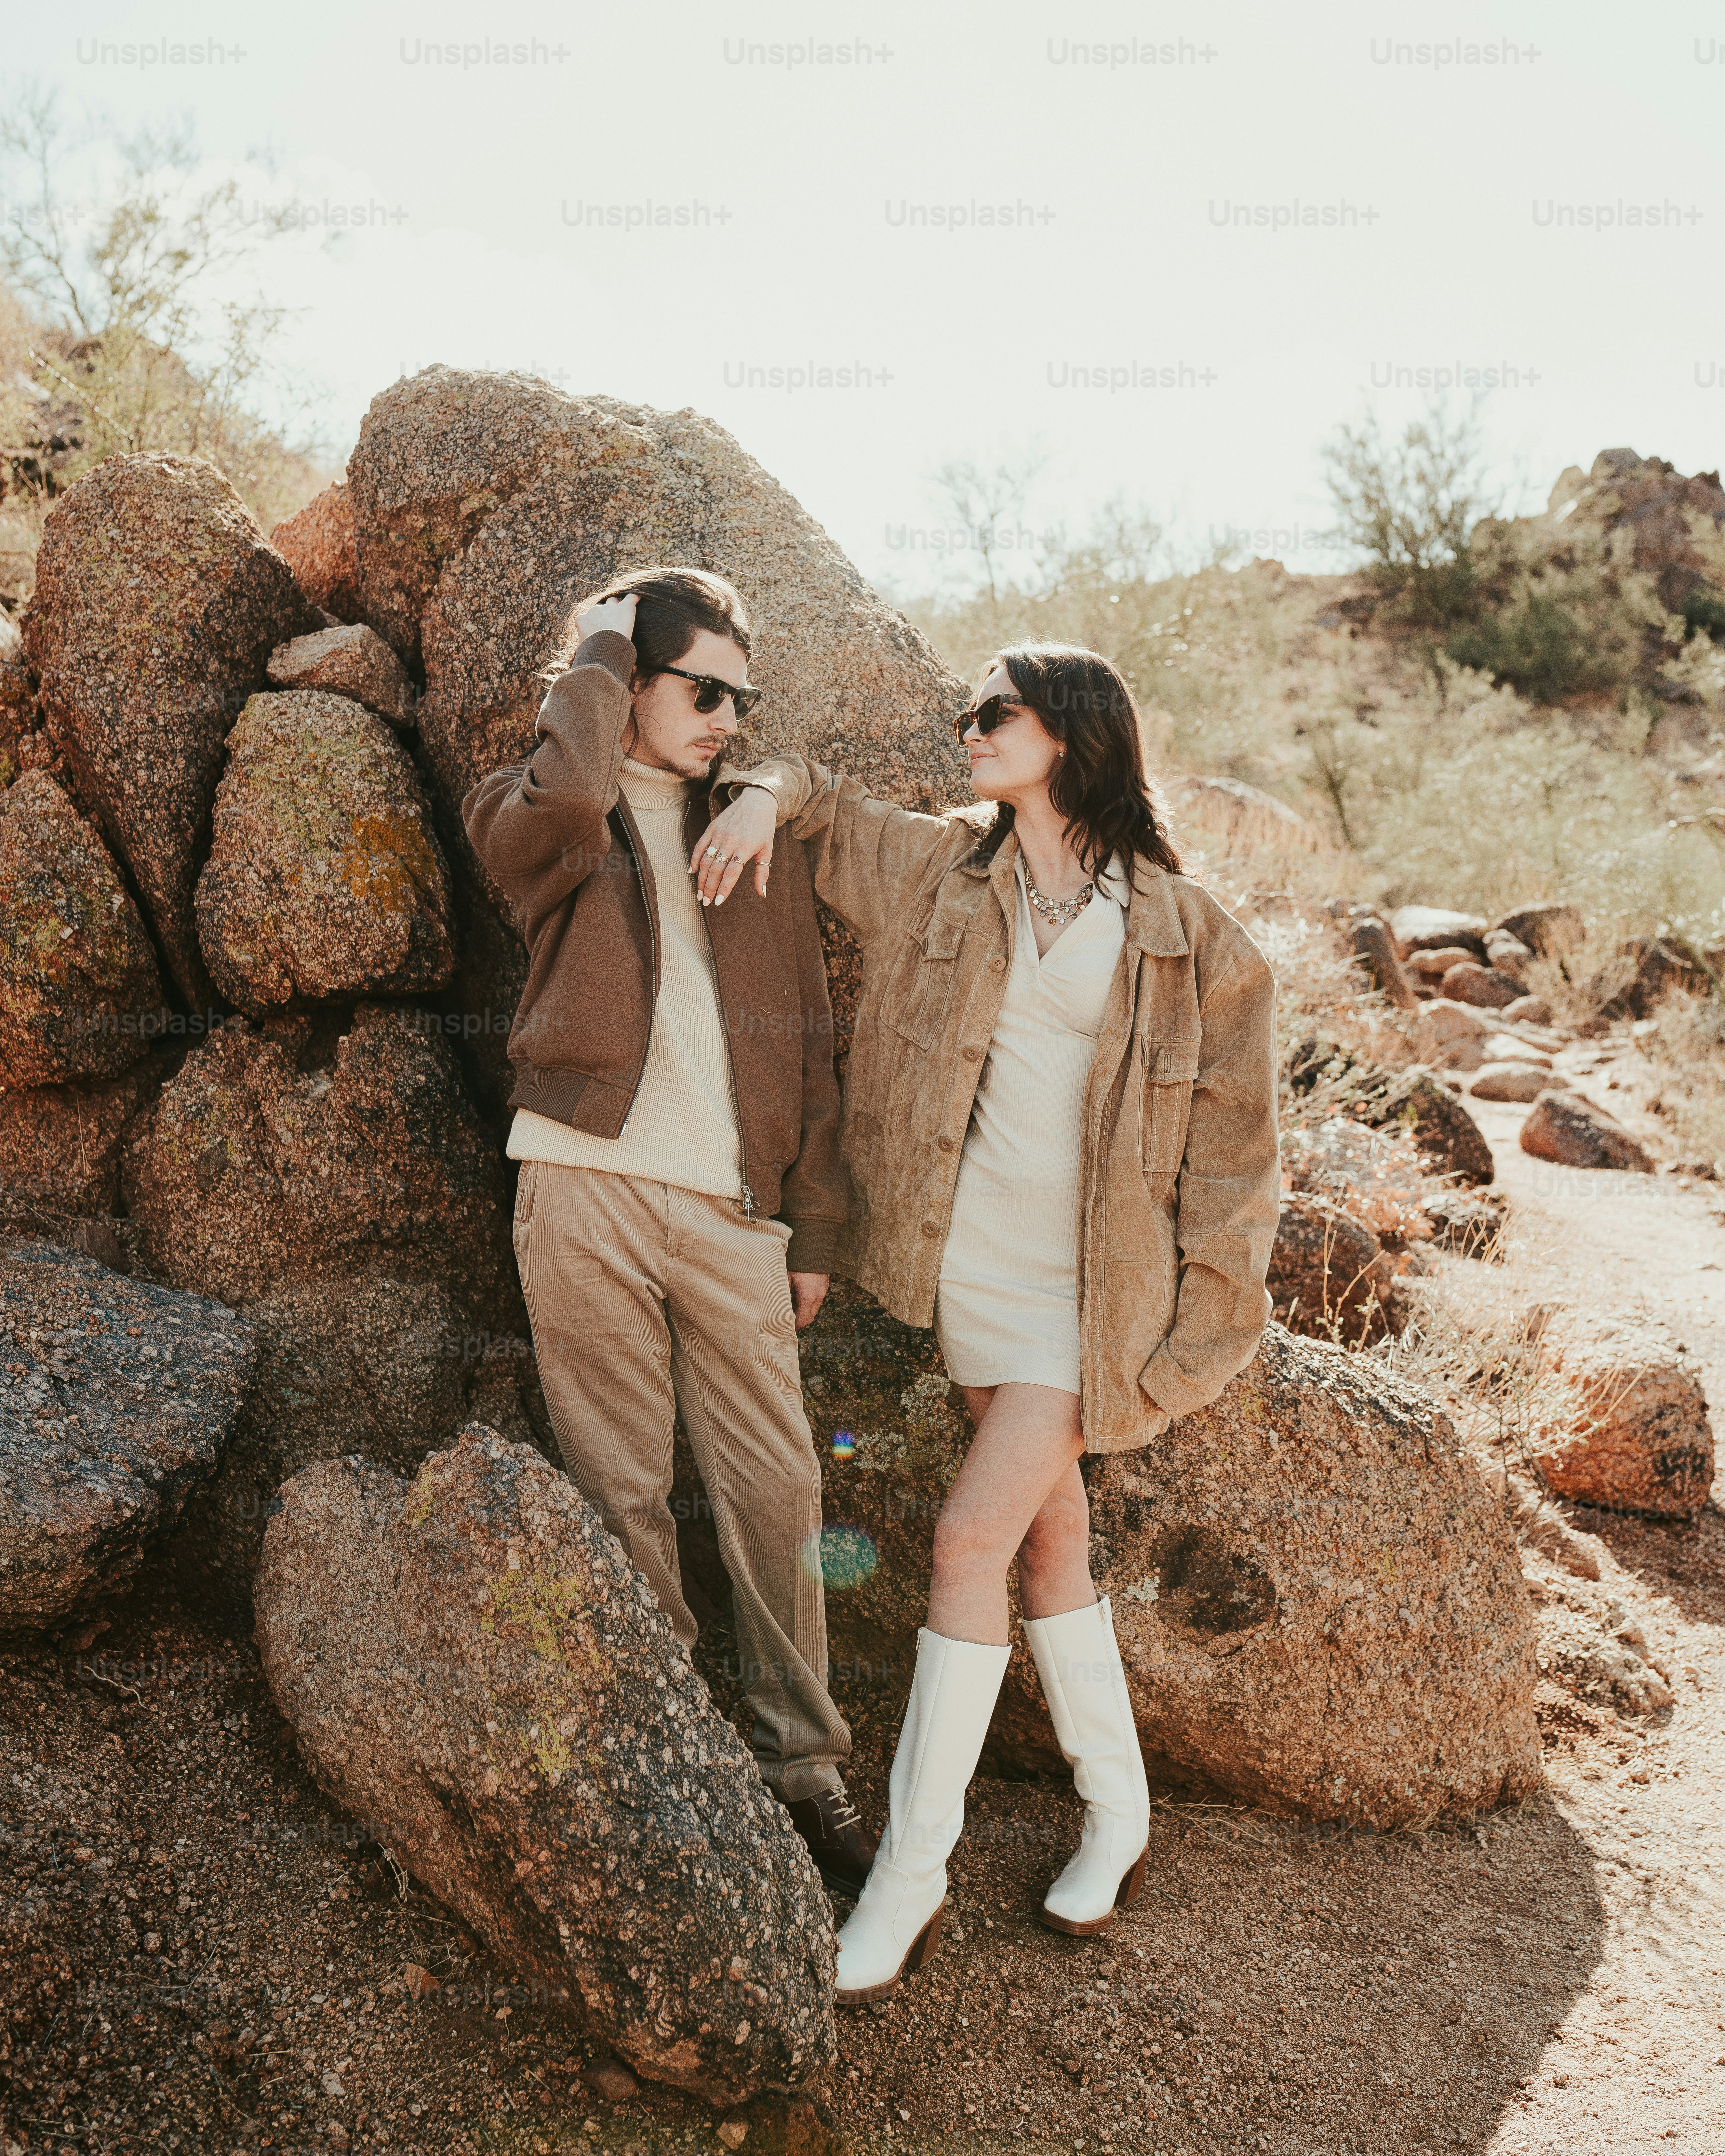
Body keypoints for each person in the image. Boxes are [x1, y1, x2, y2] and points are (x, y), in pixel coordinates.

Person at [695, 642, 1279, 2002]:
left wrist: (1199, 1331)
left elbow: (1239, 1158)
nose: (971, 728)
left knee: (967, 1539)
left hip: (1095, 1296)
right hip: (978, 1274)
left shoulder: (1193, 935)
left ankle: (911, 1876)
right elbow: (825, 803)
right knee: (1048, 1539)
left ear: (1070, 731)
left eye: (996, 711)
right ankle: (1118, 1813)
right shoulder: (948, 869)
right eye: (970, 711)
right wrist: (762, 795)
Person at [462, 567, 876, 1895]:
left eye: (739, 700)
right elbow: (562, 802)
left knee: (779, 1485)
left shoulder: (754, 835)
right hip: (580, 1187)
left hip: (732, 1213)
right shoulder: (538, 811)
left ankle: (802, 1766)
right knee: (623, 1488)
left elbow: (809, 1041)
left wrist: (814, 1224)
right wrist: (590, 652)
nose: (726, 720)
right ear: (627, 683)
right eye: (702, 692)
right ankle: (676, 1752)